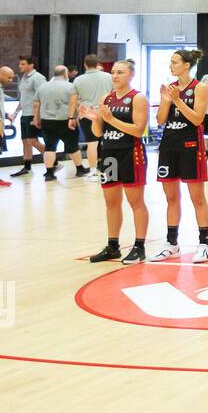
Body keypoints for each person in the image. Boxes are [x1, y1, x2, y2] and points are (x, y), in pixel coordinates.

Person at [84, 60, 150, 264]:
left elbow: (138, 130)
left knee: (135, 202)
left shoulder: (137, 98)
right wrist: (95, 119)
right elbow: (98, 133)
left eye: (120, 72)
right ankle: (113, 246)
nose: (115, 76)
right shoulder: (106, 98)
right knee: (111, 203)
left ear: (131, 75)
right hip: (110, 154)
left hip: (131, 153)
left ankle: (139, 246)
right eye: (113, 72)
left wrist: (112, 120)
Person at [151, 49, 208, 263]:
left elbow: (197, 119)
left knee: (197, 197)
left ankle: (204, 244)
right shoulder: (172, 88)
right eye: (170, 62)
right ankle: (171, 243)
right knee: (171, 197)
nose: (171, 66)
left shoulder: (200, 87)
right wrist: (164, 99)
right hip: (169, 144)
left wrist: (177, 101)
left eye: (174, 62)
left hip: (191, 145)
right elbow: (159, 120)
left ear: (186, 65)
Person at [34, 66, 88, 180]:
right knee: (73, 145)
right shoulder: (70, 87)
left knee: (49, 147)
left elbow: (36, 104)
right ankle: (79, 169)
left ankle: (49, 173)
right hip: (65, 120)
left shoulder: (43, 87)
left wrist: (36, 118)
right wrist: (76, 116)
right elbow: (76, 103)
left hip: (47, 121)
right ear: (65, 74)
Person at [74, 55, 113, 181]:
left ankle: (92, 171)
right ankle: (109, 169)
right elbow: (114, 94)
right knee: (108, 141)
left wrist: (74, 116)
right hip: (106, 112)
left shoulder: (78, 80)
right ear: (97, 64)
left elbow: (75, 100)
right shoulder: (108, 77)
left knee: (92, 143)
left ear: (85, 65)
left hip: (87, 114)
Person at [8, 55, 47, 177]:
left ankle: (53, 160)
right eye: (20, 64)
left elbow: (42, 97)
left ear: (31, 65)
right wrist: (15, 112)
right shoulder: (23, 78)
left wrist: (38, 116)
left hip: (33, 114)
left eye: (23, 64)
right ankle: (27, 167)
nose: (20, 66)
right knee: (25, 141)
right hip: (25, 114)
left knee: (32, 140)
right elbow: (23, 98)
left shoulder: (38, 78)